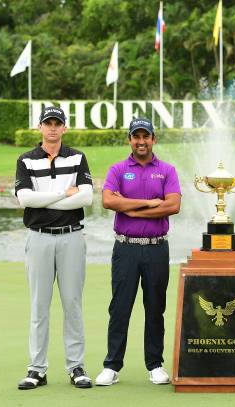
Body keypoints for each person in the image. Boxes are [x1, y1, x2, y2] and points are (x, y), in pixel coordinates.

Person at [95, 117, 181, 386]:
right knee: (120, 307)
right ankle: (112, 365)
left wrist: (129, 207)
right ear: (129, 140)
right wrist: (146, 203)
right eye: (136, 137)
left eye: (146, 136)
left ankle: (155, 364)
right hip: (125, 249)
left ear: (153, 139)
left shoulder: (167, 170)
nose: (141, 141)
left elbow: (173, 206)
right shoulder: (118, 169)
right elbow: (109, 200)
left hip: (156, 248)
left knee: (155, 307)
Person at [14, 106, 94, 390]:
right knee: (39, 305)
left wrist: (44, 199)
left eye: (56, 123)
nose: (52, 128)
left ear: (64, 128)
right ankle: (37, 369)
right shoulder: (26, 160)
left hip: (71, 237)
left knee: (72, 303)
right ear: (40, 127)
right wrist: (63, 193)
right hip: (38, 238)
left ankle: (76, 367)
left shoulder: (77, 157)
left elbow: (85, 198)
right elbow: (25, 199)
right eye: (47, 123)